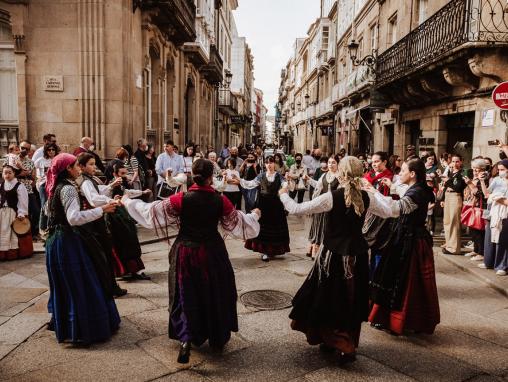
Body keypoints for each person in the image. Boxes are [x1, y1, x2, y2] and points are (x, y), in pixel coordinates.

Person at [122, 159, 261, 364]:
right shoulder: (220, 200)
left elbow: (151, 212)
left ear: (192, 175)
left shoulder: (181, 198)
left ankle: (185, 339)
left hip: (185, 251)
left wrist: (127, 201)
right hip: (212, 252)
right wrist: (254, 216)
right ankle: (217, 338)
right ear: (210, 177)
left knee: (185, 293)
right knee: (216, 292)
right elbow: (239, 223)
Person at [278, 156, 372, 363]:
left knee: (329, 297)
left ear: (341, 173)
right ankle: (334, 340)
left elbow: (297, 209)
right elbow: (392, 210)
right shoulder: (367, 197)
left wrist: (283, 195)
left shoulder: (332, 197)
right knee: (351, 299)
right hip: (358, 257)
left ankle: (340, 343)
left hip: (334, 258)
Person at [45, 153, 121, 344]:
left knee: (67, 284)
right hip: (68, 241)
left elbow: (49, 212)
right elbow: (73, 218)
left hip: (56, 241)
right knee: (81, 282)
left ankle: (68, 325)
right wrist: (101, 210)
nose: (78, 168)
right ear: (68, 169)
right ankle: (85, 327)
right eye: (75, 165)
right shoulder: (68, 189)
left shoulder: (55, 187)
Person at [367, 158, 440, 336]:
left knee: (404, 281)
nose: (399, 174)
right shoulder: (417, 188)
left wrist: (373, 194)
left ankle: (399, 320)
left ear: (413, 174)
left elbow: (396, 208)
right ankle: (391, 318)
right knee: (397, 279)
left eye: (403, 171)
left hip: (411, 241)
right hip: (406, 237)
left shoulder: (418, 191)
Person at [78, 154, 150, 283]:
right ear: (82, 166)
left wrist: (111, 186)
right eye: (91, 164)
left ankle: (126, 272)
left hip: (108, 213)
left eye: (94, 163)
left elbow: (101, 190)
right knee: (113, 244)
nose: (94, 167)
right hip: (97, 217)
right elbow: (94, 199)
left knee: (124, 240)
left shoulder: (91, 179)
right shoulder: (85, 181)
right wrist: (112, 198)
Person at [239, 156, 290, 262]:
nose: (269, 165)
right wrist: (239, 180)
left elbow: (285, 184)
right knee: (263, 228)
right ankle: (264, 252)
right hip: (263, 205)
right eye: (267, 163)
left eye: (271, 163)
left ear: (274, 164)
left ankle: (273, 250)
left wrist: (285, 187)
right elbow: (250, 184)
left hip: (276, 206)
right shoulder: (261, 176)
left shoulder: (279, 176)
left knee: (275, 228)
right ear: (265, 165)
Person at [362, 152, 394, 275]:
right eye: (373, 162)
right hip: (367, 214)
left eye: (377, 161)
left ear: (384, 162)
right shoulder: (368, 175)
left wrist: (372, 189)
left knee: (378, 247)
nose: (373, 164)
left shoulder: (390, 177)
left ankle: (375, 277)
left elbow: (390, 199)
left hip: (382, 217)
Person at [306, 155, 339, 259]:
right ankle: (316, 250)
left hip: (333, 207)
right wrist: (309, 179)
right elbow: (318, 186)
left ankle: (327, 251)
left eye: (333, 162)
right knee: (318, 228)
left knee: (328, 228)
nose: (330, 165)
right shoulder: (324, 175)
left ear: (338, 164)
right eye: (329, 162)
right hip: (321, 206)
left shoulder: (340, 176)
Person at [480, 160, 508, 274]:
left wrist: (501, 200)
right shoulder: (496, 180)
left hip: (505, 211)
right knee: (493, 238)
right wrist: (482, 181)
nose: (500, 172)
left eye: (503, 170)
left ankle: (502, 266)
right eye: (499, 169)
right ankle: (490, 262)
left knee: (503, 239)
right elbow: (487, 194)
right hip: (495, 211)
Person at [0, 165, 31, 261]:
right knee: (3, 232)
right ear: (2, 174)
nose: (7, 175)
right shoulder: (1, 185)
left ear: (14, 174)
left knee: (13, 233)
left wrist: (21, 213)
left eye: (10, 172)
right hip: (2, 213)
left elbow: (23, 201)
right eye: (5, 173)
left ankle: (14, 253)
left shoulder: (19, 186)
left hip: (14, 213)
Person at [463, 158, 489, 262]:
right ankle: (476, 249)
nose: (474, 171)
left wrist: (470, 184)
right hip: (477, 206)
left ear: (482, 168)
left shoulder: (484, 177)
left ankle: (481, 252)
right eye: (473, 169)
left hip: (482, 207)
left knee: (479, 231)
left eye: (476, 169)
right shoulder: (478, 176)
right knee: (474, 229)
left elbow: (481, 193)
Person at [441, 154, 467, 255]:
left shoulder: (462, 173)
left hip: (456, 196)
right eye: (453, 161)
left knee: (454, 222)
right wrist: (443, 199)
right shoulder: (451, 173)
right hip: (448, 196)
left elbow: (458, 187)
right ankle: (449, 245)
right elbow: (446, 186)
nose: (455, 164)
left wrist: (447, 181)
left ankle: (454, 248)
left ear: (461, 162)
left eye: (457, 161)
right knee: (447, 222)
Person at [14, 141, 40, 239]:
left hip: (28, 190)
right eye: (23, 148)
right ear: (19, 147)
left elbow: (34, 177)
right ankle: (20, 233)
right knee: (19, 213)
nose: (25, 150)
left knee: (36, 211)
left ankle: (33, 232)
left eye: (27, 149)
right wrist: (19, 174)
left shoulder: (30, 162)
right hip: (15, 190)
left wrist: (32, 178)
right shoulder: (12, 159)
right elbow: (5, 174)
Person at [34, 143, 59, 234]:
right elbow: (34, 169)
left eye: (53, 149)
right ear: (46, 151)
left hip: (55, 184)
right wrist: (37, 179)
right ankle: (42, 227)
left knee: (53, 205)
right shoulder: (41, 160)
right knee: (44, 204)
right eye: (49, 150)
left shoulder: (58, 160)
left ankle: (51, 226)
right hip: (44, 184)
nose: (51, 151)